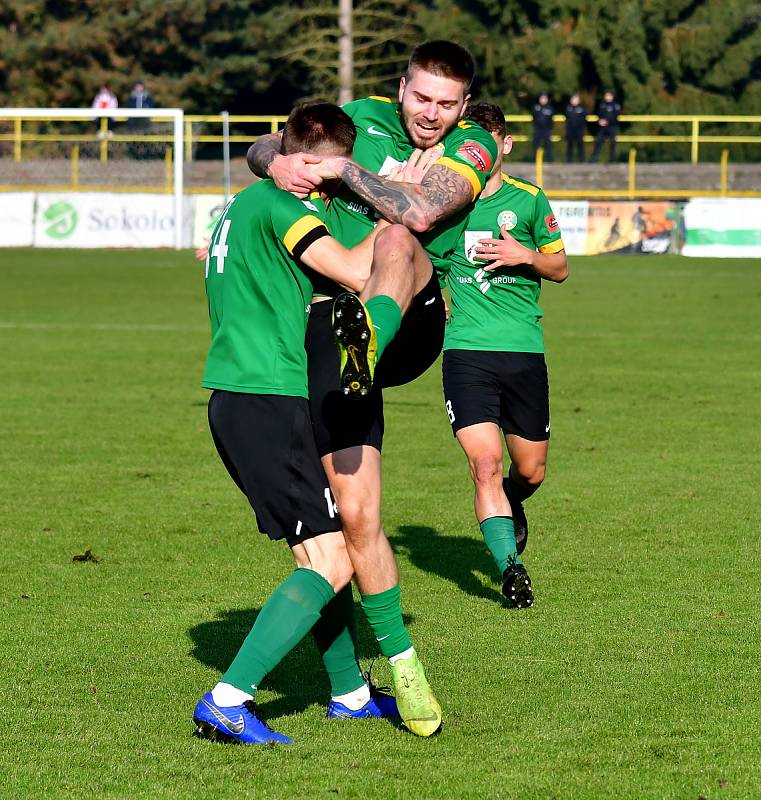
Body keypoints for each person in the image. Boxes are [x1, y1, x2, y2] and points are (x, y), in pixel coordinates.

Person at [247, 40, 498, 730]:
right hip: (333, 329)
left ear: (465, 107)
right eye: (421, 98)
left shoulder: (474, 145)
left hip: (405, 319)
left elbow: (419, 214)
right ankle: (394, 673)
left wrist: (345, 170)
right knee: (351, 522)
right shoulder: (361, 113)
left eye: (447, 104)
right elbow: (263, 153)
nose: (431, 115)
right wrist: (296, 161)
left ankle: (371, 333)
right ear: (400, 88)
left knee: (394, 237)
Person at [193, 103, 425, 745]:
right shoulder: (281, 204)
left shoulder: (237, 208)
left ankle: (349, 693)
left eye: (326, 175)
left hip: (241, 397)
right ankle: (227, 698)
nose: (313, 182)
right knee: (328, 561)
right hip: (266, 397)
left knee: (324, 551)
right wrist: (392, 222)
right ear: (291, 154)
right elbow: (354, 271)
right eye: (310, 169)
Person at [441, 102, 568, 607]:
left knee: (530, 470)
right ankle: (510, 570)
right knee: (485, 464)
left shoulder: (530, 200)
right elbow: (415, 264)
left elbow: (560, 269)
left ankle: (514, 502)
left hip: (523, 352)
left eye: (490, 141)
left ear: (506, 145)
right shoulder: (446, 204)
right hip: (466, 353)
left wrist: (525, 256)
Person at [591, 90, 621, 162]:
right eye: (606, 96)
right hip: (603, 127)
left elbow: (615, 116)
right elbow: (598, 114)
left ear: (612, 97)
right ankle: (594, 158)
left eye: (609, 96)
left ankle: (612, 159)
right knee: (598, 141)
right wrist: (600, 120)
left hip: (612, 127)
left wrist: (607, 121)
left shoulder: (615, 105)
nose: (607, 97)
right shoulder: (602, 104)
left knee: (612, 142)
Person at [532, 92, 554, 161]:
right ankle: (535, 160)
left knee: (548, 145)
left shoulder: (550, 108)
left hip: (547, 130)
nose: (543, 100)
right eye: (542, 98)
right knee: (535, 144)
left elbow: (551, 120)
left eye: (544, 98)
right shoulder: (536, 107)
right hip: (538, 129)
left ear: (547, 99)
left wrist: (550, 129)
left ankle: (549, 160)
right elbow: (534, 117)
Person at [564, 93, 586, 162]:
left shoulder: (582, 109)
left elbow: (583, 119)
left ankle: (581, 160)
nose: (574, 101)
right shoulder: (568, 108)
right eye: (573, 99)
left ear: (579, 101)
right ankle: (569, 160)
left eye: (576, 99)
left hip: (579, 130)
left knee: (580, 145)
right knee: (570, 145)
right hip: (570, 130)